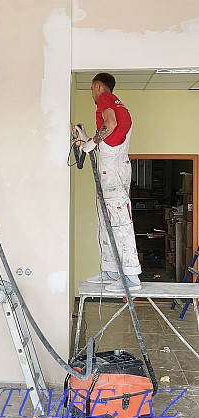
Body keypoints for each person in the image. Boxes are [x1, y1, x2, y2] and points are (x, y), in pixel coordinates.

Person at [82, 72, 142, 292]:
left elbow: (110, 124)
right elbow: (111, 130)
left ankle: (131, 276)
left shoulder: (106, 99)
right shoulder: (121, 105)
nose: (92, 94)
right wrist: (90, 140)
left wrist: (93, 143)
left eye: (91, 89)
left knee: (119, 221)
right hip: (114, 165)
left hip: (114, 168)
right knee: (106, 220)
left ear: (98, 86)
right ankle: (111, 269)